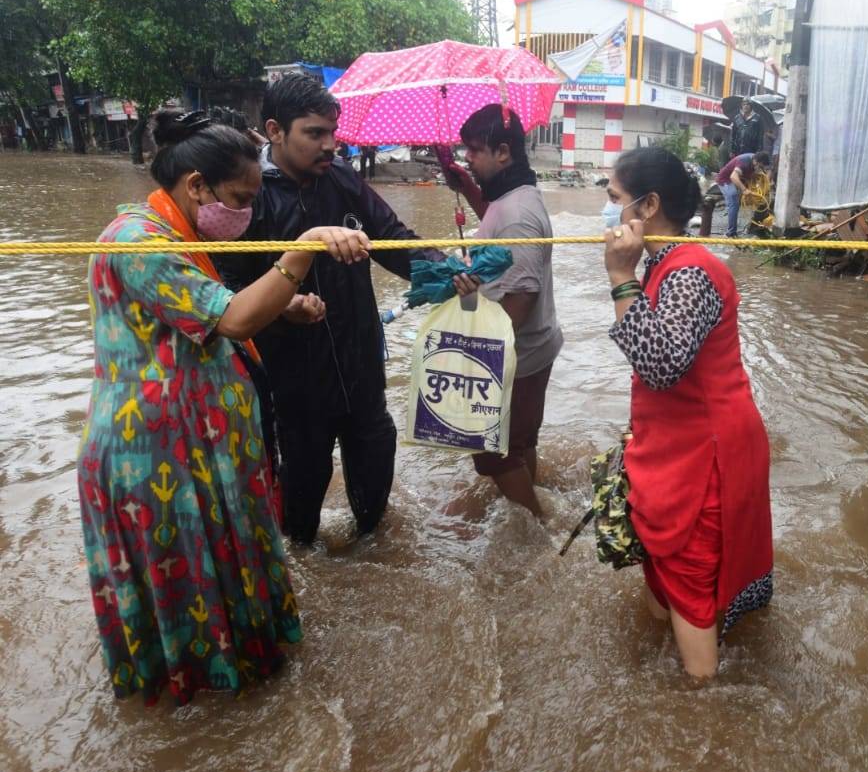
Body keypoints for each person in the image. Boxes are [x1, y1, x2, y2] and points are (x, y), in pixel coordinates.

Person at [78, 108, 371, 704]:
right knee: (190, 591)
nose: (243, 212)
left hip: (197, 446)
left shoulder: (176, 232)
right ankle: (204, 708)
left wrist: (282, 305)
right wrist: (304, 249)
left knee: (224, 580)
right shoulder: (138, 242)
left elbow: (199, 315)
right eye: (239, 197)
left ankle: (242, 678)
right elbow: (233, 317)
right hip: (158, 460)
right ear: (196, 187)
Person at [218, 73, 449, 546]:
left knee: (374, 492)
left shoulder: (342, 178)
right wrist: (285, 305)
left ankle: (369, 567)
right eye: (315, 133)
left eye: (333, 132)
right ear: (276, 130)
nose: (329, 145)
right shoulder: (248, 196)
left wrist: (447, 271)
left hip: (360, 365)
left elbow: (393, 238)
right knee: (300, 507)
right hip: (294, 381)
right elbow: (227, 289)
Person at [601, 146, 774, 677]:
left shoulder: (691, 272)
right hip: (678, 446)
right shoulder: (666, 263)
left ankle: (706, 721)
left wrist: (618, 275)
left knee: (691, 583)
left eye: (616, 200)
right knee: (667, 576)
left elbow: (660, 366)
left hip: (705, 458)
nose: (610, 213)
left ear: (648, 206)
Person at [447, 105, 563, 520]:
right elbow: (500, 241)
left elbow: (523, 292)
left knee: (492, 453)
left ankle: (536, 525)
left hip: (519, 350)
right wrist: (466, 185)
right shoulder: (513, 198)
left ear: (502, 153)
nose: (468, 160)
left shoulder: (516, 214)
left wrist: (484, 354)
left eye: (473, 152)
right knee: (520, 442)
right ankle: (529, 508)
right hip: (534, 346)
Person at [715, 151, 771, 238]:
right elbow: (733, 177)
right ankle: (731, 233)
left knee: (739, 201)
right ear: (756, 161)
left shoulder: (755, 160)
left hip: (738, 179)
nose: (760, 169)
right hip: (725, 180)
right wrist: (744, 189)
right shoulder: (744, 162)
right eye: (760, 166)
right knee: (734, 201)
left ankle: (742, 227)